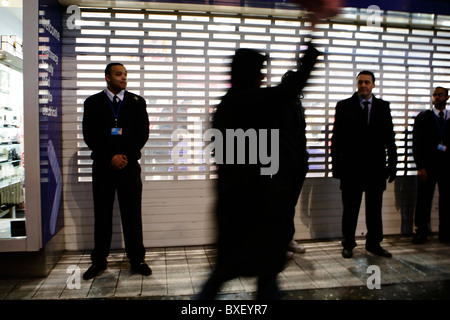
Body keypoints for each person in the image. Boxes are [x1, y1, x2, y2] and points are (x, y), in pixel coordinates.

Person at [197, 36, 320, 300]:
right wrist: (309, 55)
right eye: (259, 72)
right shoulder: (247, 102)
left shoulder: (227, 105)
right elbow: (289, 90)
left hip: (236, 204)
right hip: (253, 206)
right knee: (254, 274)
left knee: (232, 272)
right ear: (249, 73)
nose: (262, 77)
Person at [82, 63, 151, 280]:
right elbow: (89, 135)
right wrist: (109, 157)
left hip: (129, 166)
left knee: (132, 214)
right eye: (119, 74)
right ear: (107, 77)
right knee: (102, 215)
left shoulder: (137, 102)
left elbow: (142, 134)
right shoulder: (92, 103)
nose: (124, 78)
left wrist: (124, 157)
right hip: (103, 167)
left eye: (125, 75)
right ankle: (99, 261)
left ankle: (137, 259)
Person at [330, 70, 397, 259]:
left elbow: (389, 139)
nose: (363, 85)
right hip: (351, 168)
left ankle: (374, 243)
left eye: (367, 82)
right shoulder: (344, 106)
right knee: (350, 208)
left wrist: (392, 165)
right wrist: (337, 167)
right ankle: (348, 243)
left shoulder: (383, 107)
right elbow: (336, 139)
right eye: (360, 82)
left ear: (373, 85)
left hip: (375, 167)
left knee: (375, 209)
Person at [276, 70, 309, 259]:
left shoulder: (298, 105)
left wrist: (303, 158)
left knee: (289, 205)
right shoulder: (278, 105)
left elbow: (300, 134)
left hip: (296, 162)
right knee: (281, 205)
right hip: (282, 162)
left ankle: (287, 240)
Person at [412, 87, 450, 244]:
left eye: (440, 95)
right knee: (424, 199)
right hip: (428, 166)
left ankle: (446, 233)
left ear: (447, 97)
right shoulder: (424, 117)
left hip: (447, 166)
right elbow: (417, 143)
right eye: (434, 95)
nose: (437, 97)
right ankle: (421, 231)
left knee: (447, 199)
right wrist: (420, 166)